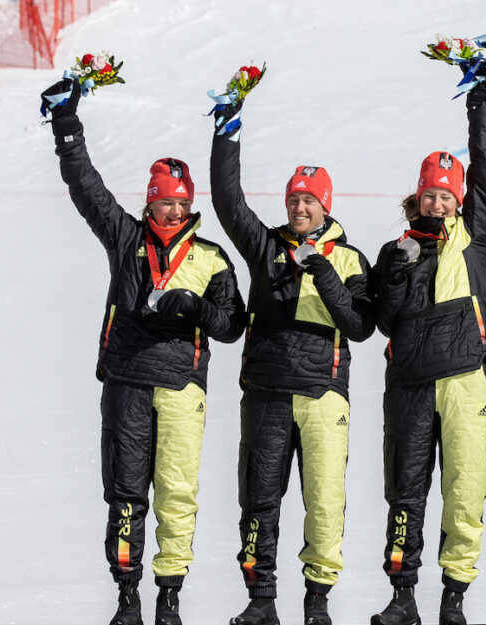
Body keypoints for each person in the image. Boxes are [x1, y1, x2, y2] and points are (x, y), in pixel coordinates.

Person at [40, 78, 248, 625]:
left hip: (182, 386)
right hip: (127, 379)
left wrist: (195, 308)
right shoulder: (125, 239)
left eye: (180, 205)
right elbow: (87, 188)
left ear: (190, 206)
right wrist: (67, 127)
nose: (172, 213)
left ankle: (169, 598)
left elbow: (233, 326)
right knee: (126, 490)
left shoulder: (211, 257)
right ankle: (127, 596)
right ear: (148, 203)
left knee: (177, 493)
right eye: (162, 204)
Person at [208, 91, 375, 625]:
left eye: (309, 201)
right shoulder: (266, 247)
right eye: (293, 200)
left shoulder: (350, 258)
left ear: (326, 205)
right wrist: (227, 133)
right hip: (267, 393)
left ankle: (317, 604)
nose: (300, 209)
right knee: (259, 499)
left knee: (324, 503)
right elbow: (227, 202)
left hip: (324, 397)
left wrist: (321, 270)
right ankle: (261, 602)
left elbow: (359, 326)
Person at [369, 69, 486, 625]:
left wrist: (479, 103)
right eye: (431, 194)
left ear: (459, 198)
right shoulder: (394, 248)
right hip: (409, 385)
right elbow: (380, 320)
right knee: (406, 491)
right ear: (417, 197)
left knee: (464, 490)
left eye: (447, 194)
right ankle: (402, 597)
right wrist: (398, 271)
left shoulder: (474, 236)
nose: (439, 203)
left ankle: (454, 598)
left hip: (466, 379)